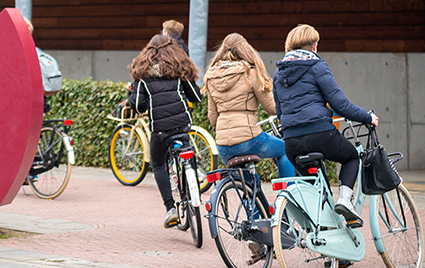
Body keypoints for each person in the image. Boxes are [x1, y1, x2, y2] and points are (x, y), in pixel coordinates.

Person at [272, 24, 378, 226]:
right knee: (351, 157)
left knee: (319, 194)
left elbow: (280, 113)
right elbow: (341, 104)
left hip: (291, 143)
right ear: (315, 45)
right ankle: (345, 201)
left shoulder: (279, 73)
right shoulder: (317, 66)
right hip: (320, 135)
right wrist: (367, 117)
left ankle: (334, 248)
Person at [127, 34, 203, 228]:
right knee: (187, 152)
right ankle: (193, 186)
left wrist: (132, 93)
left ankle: (170, 209)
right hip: (182, 125)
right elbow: (196, 97)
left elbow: (138, 106)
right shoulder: (179, 71)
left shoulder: (144, 76)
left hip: (160, 131)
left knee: (159, 164)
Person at [204, 33, 295, 180]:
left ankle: (252, 203)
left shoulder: (211, 76)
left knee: (251, 190)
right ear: (245, 50)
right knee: (285, 150)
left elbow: (212, 117)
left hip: (223, 146)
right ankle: (289, 197)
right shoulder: (250, 73)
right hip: (249, 140)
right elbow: (272, 108)